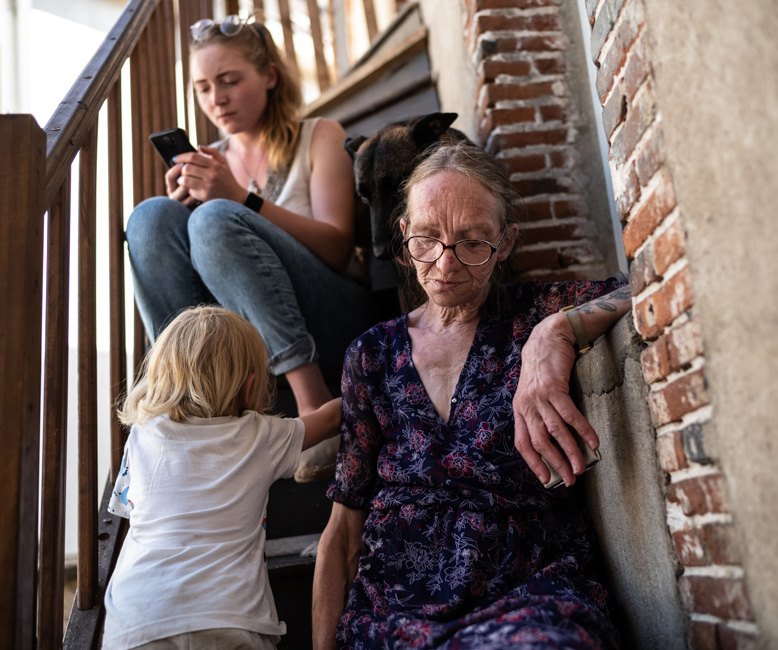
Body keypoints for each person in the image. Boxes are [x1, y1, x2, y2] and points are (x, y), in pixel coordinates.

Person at [312, 141, 633, 649]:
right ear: (403, 235)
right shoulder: (369, 356)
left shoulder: (531, 315)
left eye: (472, 242)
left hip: (523, 591)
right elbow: (344, 529)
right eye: (427, 239)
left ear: (505, 243)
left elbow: (641, 285)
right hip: (394, 610)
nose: (445, 262)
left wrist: (556, 330)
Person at [125, 14, 376, 480]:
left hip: (334, 317)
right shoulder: (212, 161)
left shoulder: (319, 136)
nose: (216, 98)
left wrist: (240, 200)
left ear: (269, 76)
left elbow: (339, 249)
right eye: (203, 87)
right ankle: (186, 408)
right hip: (250, 342)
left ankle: (313, 400)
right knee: (151, 216)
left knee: (215, 218)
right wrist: (185, 215)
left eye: (229, 80)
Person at [102, 305, 342, 649]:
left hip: (137, 617)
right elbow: (331, 420)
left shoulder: (142, 434)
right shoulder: (260, 435)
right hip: (230, 615)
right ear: (249, 388)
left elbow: (128, 511)